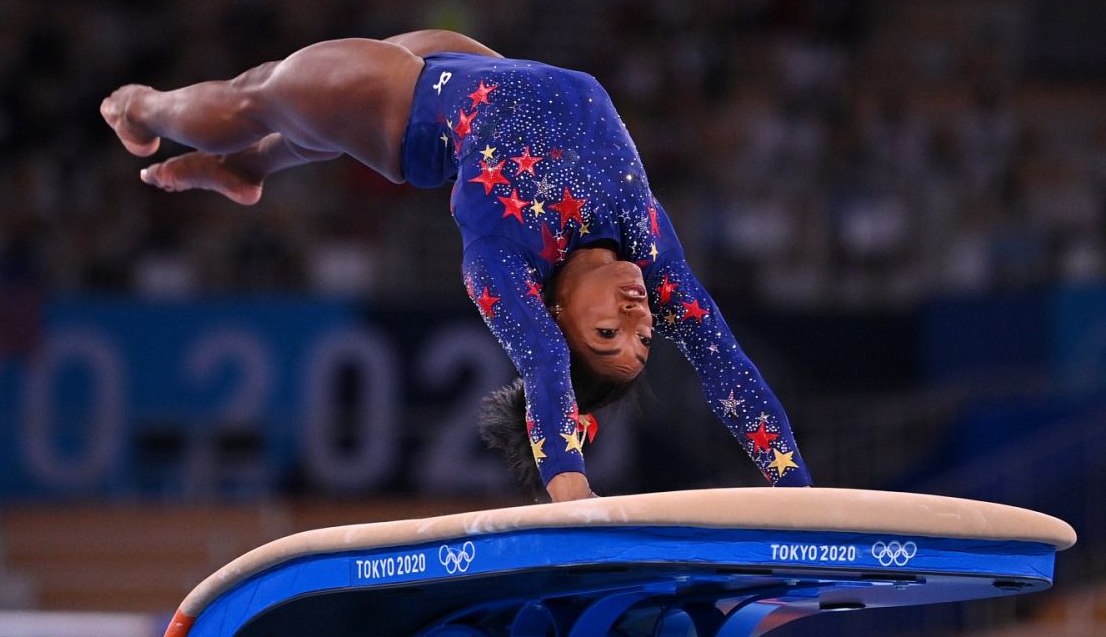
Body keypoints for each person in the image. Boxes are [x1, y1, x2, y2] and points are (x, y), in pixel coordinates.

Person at [101, 30, 811, 501]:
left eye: (608, 339)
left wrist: (568, 484)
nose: (636, 320)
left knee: (251, 97)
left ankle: (144, 108)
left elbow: (543, 369)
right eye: (642, 338)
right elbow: (726, 367)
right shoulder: (649, 250)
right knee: (299, 116)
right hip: (477, 69)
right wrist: (799, 495)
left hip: (399, 104)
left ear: (558, 317)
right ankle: (249, 171)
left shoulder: (504, 260)